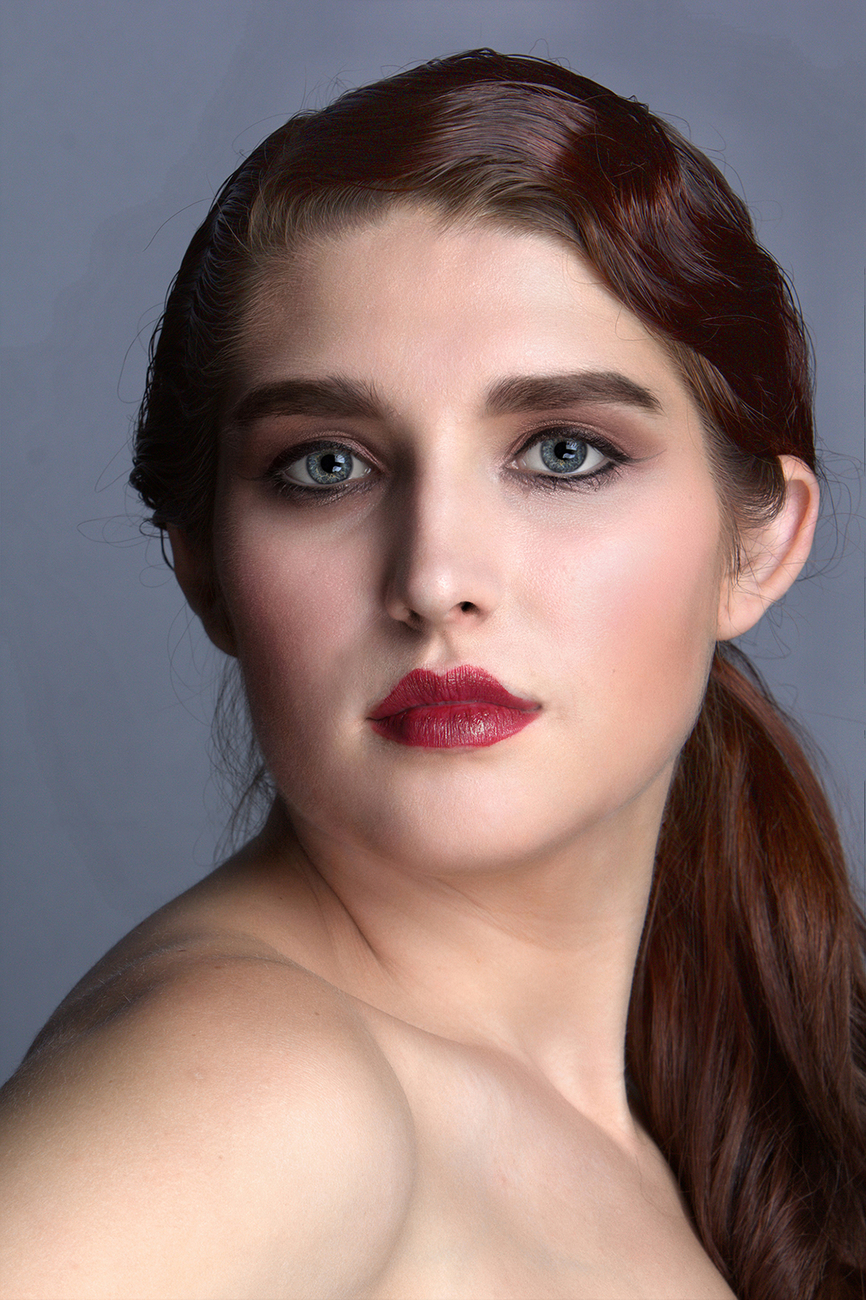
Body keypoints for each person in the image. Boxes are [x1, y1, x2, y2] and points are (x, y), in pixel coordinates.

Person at [1, 49, 863, 1300]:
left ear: (759, 543)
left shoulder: (662, 1109)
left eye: (561, 452)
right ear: (204, 566)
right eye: (326, 465)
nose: (435, 575)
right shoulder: (260, 1090)